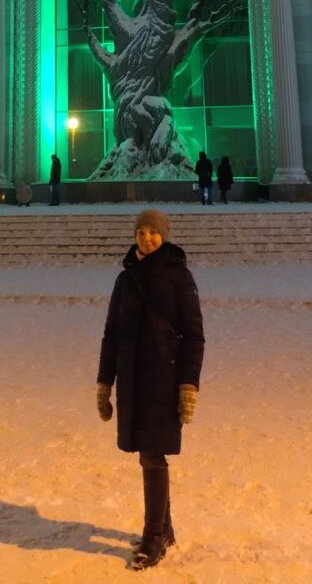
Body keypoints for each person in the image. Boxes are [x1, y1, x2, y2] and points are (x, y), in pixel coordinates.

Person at [97, 209, 205, 572]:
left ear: (165, 235)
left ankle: (153, 536)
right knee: (149, 451)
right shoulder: (125, 280)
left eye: (153, 232)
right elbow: (112, 334)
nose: (147, 238)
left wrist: (189, 383)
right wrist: (104, 382)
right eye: (141, 232)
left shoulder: (179, 276)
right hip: (132, 377)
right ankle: (166, 528)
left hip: (163, 377)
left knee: (151, 455)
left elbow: (193, 335)